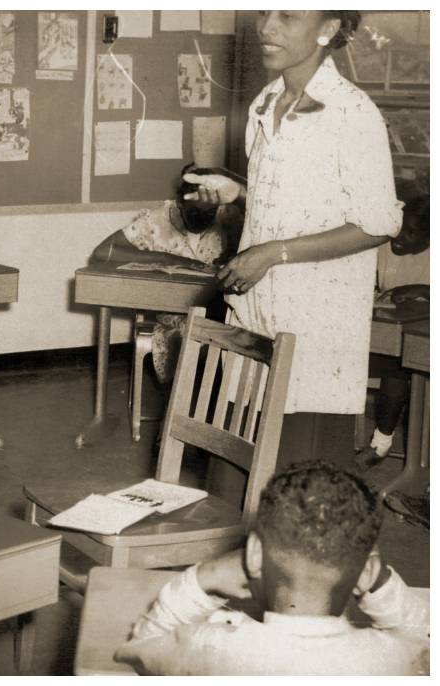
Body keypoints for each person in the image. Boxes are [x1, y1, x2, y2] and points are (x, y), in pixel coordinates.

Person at [185, 11, 402, 494]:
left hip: (316, 324)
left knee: (298, 496)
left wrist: (272, 254)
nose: (266, 27)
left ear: (327, 29)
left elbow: (381, 222)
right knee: (236, 482)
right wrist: (236, 194)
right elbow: (290, 201)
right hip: (258, 315)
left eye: (287, 15)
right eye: (265, 12)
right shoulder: (266, 103)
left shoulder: (352, 113)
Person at [113, 461, 429, 675]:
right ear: (366, 571)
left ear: (253, 555)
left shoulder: (207, 648)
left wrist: (203, 579)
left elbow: (138, 648)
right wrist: (382, 586)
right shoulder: (391, 659)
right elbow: (426, 640)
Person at [91, 163, 242, 384]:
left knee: (234, 333)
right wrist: (166, 258)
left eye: (209, 213)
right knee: (194, 335)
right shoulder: (156, 220)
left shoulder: (227, 216)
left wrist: (231, 256)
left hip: (218, 308)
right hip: (175, 311)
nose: (202, 219)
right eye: (194, 212)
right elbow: (103, 252)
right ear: (180, 203)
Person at [356, 192, 429, 471]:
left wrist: (424, 290)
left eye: (411, 234)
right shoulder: (382, 244)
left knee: (396, 370)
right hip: (388, 335)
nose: (399, 237)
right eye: (400, 228)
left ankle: (381, 443)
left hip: (422, 343)